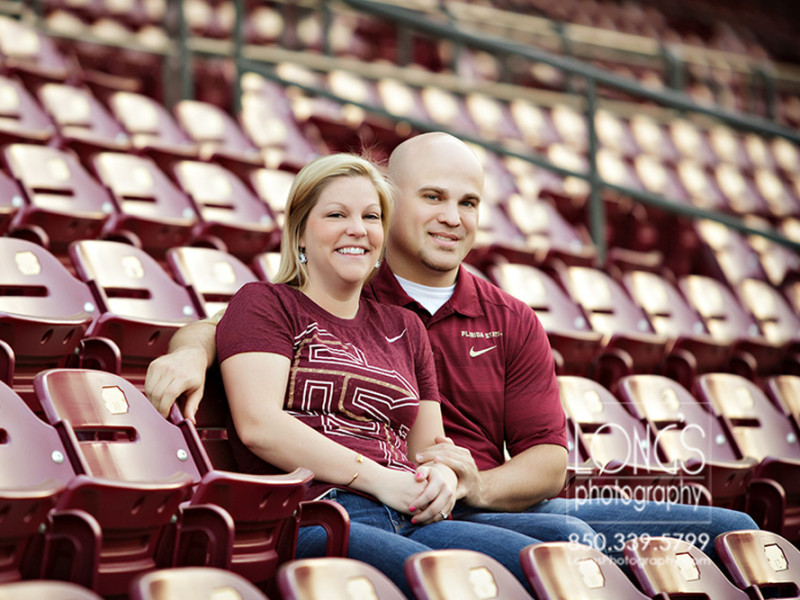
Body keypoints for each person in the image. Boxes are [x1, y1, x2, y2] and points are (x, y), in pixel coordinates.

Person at [146, 132, 757, 570]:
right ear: (394, 201)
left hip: (466, 497)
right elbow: (242, 325)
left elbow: (547, 461)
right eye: (432, 198)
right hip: (376, 499)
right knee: (566, 542)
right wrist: (189, 350)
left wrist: (466, 483)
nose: (452, 218)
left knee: (737, 533)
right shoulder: (346, 279)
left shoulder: (506, 316)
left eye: (467, 203)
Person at [212, 151, 542, 596]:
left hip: (408, 511)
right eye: (336, 214)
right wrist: (381, 480)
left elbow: (429, 449)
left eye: (371, 216)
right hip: (317, 513)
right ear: (300, 232)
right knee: (454, 586)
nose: (357, 229)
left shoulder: (404, 328)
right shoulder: (265, 305)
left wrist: (442, 477)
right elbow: (259, 426)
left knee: (543, 565)